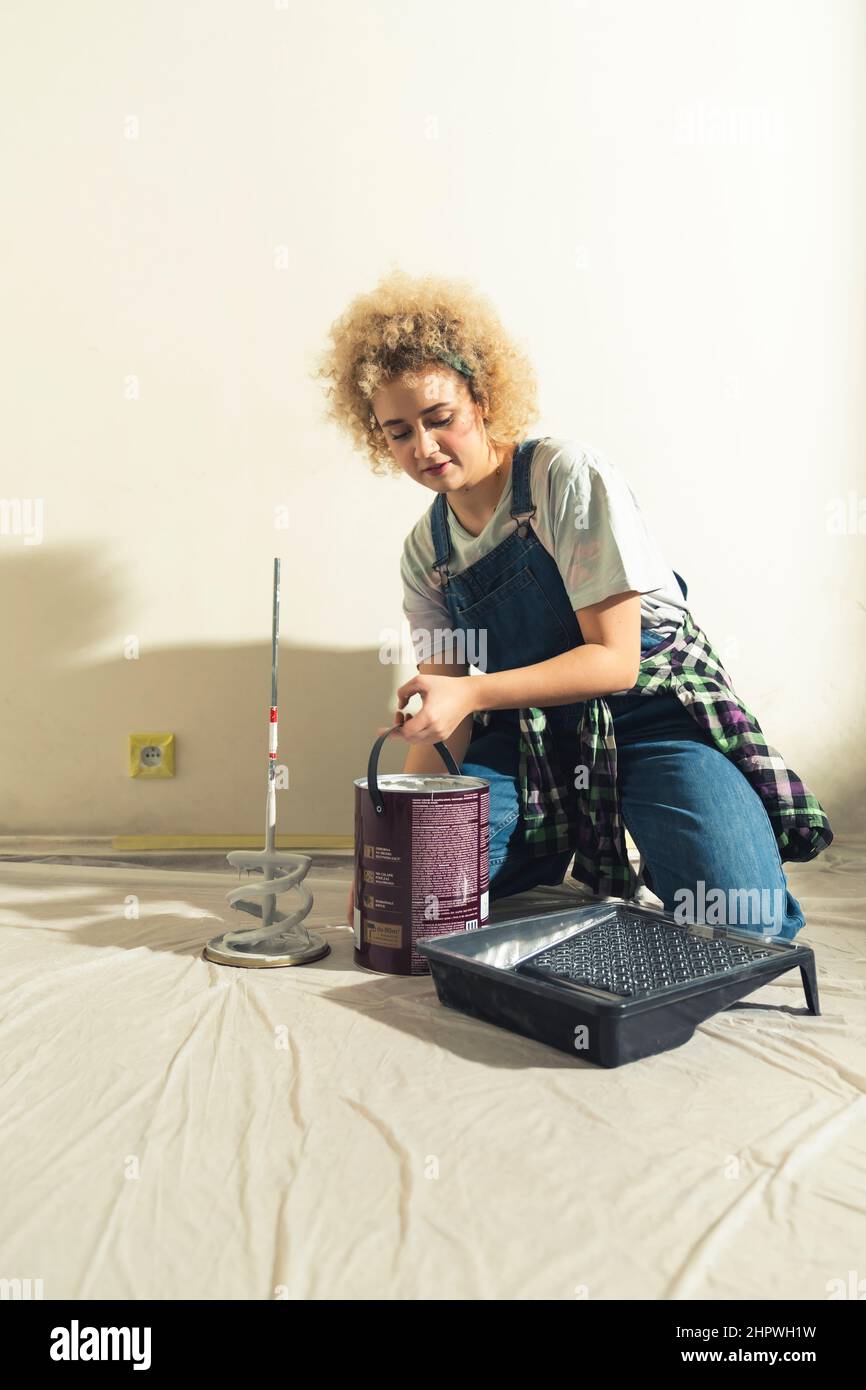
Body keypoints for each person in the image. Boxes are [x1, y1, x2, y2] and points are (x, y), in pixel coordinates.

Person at [314, 269, 832, 940]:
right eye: (398, 432)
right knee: (418, 902)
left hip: (647, 715)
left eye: (440, 419)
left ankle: (658, 827)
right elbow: (446, 716)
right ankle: (546, 839)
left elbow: (615, 663)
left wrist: (473, 694)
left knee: (742, 923)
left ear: (484, 396)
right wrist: (401, 843)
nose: (425, 448)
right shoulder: (428, 553)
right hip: (527, 738)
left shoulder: (561, 476)